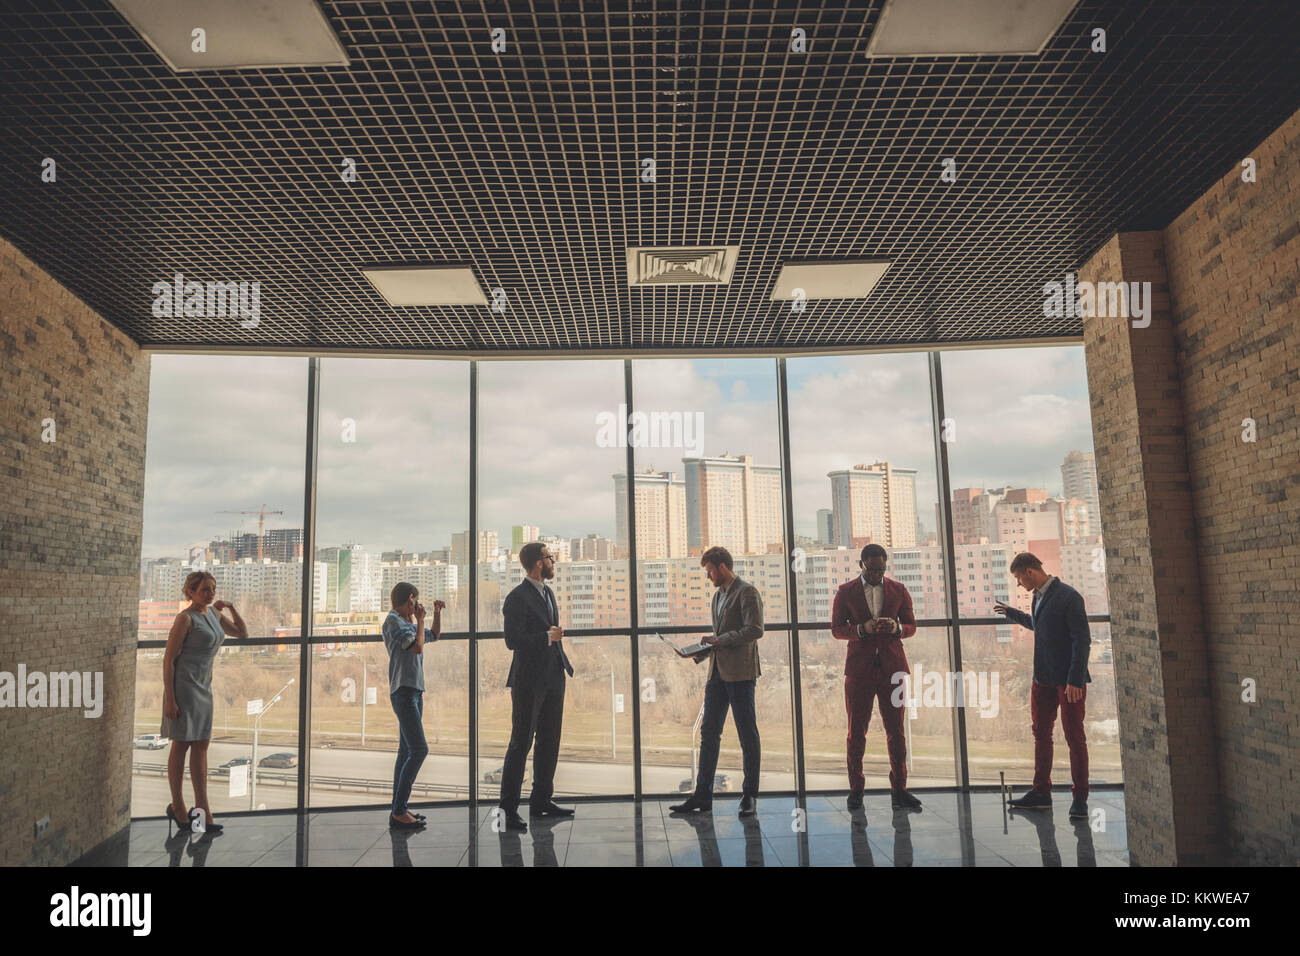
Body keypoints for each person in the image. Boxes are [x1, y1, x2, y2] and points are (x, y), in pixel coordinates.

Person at [994, 551, 1092, 820]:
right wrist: (1012, 614)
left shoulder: (1069, 596)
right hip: (1042, 679)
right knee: (1041, 735)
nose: (1019, 585)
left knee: (1075, 738)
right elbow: (1039, 625)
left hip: (1067, 682)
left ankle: (1080, 798)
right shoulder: (1038, 596)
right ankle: (1041, 793)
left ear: (1030, 572)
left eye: (1018, 579)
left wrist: (1074, 679)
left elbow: (1082, 640)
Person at [670, 546, 765, 817]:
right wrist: (701, 651)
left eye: (710, 570)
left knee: (748, 734)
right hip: (717, 674)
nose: (708, 576)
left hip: (740, 674)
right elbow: (721, 636)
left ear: (722, 567)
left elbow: (755, 629)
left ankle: (750, 796)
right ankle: (702, 795)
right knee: (709, 734)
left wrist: (720, 640)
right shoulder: (717, 597)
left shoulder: (747, 592)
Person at [830, 544, 922, 811]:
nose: (876, 574)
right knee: (856, 732)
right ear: (861, 565)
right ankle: (856, 789)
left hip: (893, 668)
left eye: (881, 569)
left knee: (896, 732)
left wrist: (896, 628)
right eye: (872, 569)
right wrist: (861, 629)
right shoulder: (845, 592)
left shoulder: (899, 590)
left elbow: (912, 626)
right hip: (859, 671)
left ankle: (900, 789)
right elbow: (836, 629)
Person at [161, 570, 248, 834]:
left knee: (202, 747)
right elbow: (169, 661)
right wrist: (170, 699)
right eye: (204, 590)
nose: (210, 594)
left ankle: (202, 812)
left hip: (203, 688)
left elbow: (242, 633)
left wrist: (231, 607)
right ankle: (177, 806)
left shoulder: (213, 614)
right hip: (184, 689)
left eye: (212, 589)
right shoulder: (184, 619)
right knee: (182, 745)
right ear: (190, 593)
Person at [497, 542, 574, 832]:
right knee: (520, 743)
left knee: (549, 741)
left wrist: (551, 638)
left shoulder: (548, 593)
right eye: (549, 557)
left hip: (553, 676)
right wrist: (546, 636)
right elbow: (512, 641)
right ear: (539, 563)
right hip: (528, 681)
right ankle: (506, 813)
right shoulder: (516, 598)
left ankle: (541, 802)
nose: (553, 561)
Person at [382, 582, 444, 829]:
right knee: (419, 750)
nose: (418, 606)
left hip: (414, 691)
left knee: (405, 752)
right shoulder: (394, 622)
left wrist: (436, 615)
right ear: (410, 599)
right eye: (416, 602)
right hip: (404, 691)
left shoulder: (407, 622)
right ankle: (398, 810)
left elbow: (433, 636)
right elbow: (417, 647)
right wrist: (419, 621)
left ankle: (399, 809)